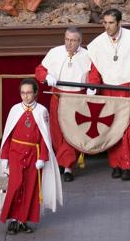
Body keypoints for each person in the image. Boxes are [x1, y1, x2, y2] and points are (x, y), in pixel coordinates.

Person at [86, 8, 130, 181]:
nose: (107, 27)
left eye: (111, 23)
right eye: (104, 23)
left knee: (128, 128)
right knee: (112, 128)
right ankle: (115, 164)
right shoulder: (98, 43)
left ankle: (127, 165)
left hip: (128, 89)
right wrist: (92, 86)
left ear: (119, 22)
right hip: (109, 90)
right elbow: (95, 70)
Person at [0, 78, 62, 233]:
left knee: (30, 188)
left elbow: (44, 136)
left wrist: (42, 157)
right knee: (15, 186)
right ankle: (13, 219)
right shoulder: (15, 110)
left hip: (33, 156)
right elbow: (8, 135)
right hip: (15, 154)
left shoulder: (42, 111)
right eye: (23, 93)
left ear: (35, 93)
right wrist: (4, 158)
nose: (26, 96)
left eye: (29, 93)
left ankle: (23, 220)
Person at [35, 28, 91, 182]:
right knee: (57, 130)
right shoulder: (55, 52)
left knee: (71, 132)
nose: (68, 43)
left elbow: (93, 75)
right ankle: (61, 160)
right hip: (58, 96)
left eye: (72, 40)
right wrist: (46, 76)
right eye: (66, 39)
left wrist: (91, 87)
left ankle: (67, 166)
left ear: (80, 41)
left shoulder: (87, 55)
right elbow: (39, 70)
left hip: (77, 99)